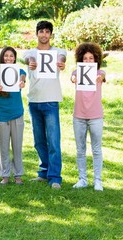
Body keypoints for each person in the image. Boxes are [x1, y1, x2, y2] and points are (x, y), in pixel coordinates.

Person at [23, 20, 67, 189]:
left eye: (47, 32)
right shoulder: (30, 52)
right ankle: (43, 172)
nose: (44, 35)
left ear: (50, 35)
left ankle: (55, 177)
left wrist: (61, 63)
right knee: (39, 141)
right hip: (34, 101)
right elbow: (27, 57)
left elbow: (63, 57)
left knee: (53, 140)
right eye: (41, 31)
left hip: (51, 101)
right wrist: (31, 60)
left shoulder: (58, 52)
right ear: (37, 34)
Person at [70, 42, 106, 191]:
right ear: (81, 59)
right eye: (85, 58)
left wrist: (100, 79)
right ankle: (82, 179)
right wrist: (74, 80)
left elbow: (102, 77)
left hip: (96, 116)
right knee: (80, 149)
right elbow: (72, 78)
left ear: (96, 59)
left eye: (91, 58)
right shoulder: (76, 73)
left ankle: (98, 180)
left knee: (96, 149)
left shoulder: (100, 73)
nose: (88, 61)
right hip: (79, 116)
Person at [0, 47, 26, 185]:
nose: (9, 58)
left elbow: (23, 78)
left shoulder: (20, 72)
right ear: (2, 57)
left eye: (11, 56)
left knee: (17, 146)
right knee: (3, 147)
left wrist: (22, 82)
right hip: (2, 115)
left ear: (15, 58)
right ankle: (5, 175)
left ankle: (18, 175)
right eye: (6, 56)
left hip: (17, 113)